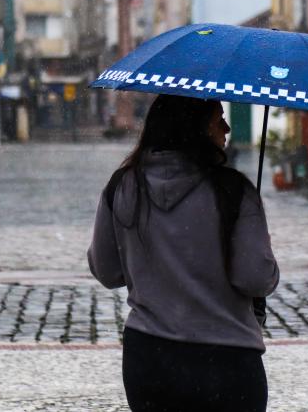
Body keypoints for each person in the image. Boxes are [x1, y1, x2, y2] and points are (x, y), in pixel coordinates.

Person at [88, 94, 279, 412]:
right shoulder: (233, 192)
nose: (227, 128)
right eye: (218, 119)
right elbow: (254, 278)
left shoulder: (123, 186)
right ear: (197, 128)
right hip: (226, 359)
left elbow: (107, 271)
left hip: (150, 358)